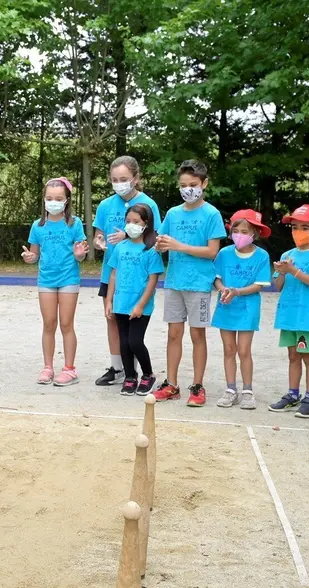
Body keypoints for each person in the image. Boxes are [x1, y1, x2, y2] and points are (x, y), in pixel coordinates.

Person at [152, 160, 227, 407]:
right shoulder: (173, 213)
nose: (188, 189)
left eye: (193, 184)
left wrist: (179, 246)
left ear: (204, 183)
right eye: (183, 185)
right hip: (174, 282)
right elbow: (161, 242)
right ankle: (171, 384)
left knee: (197, 335)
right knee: (173, 334)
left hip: (200, 285)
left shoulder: (211, 214)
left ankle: (197, 385)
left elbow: (212, 251)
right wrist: (158, 246)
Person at [91, 156, 161, 387]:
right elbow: (97, 236)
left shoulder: (149, 204)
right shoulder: (105, 205)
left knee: (134, 323)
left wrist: (129, 236)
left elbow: (155, 239)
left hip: (138, 277)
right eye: (114, 179)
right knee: (112, 319)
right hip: (112, 273)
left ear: (135, 178)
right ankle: (118, 368)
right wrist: (99, 242)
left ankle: (138, 369)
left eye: (124, 179)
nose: (119, 183)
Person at [21, 177, 88, 386]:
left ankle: (69, 369)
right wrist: (30, 258)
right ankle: (47, 367)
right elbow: (34, 255)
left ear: (67, 200)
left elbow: (81, 254)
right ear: (44, 199)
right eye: (49, 198)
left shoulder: (74, 224)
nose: (53, 202)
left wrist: (79, 254)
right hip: (46, 280)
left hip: (68, 278)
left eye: (58, 198)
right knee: (49, 324)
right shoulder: (37, 226)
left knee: (66, 324)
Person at [268, 205, 309, 419]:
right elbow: (277, 286)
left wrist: (293, 270)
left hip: (306, 316)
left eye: (305, 227)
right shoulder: (288, 254)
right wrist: (280, 272)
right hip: (288, 315)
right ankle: (292, 394)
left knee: (308, 356)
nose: (298, 231)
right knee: (293, 355)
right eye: (295, 227)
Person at [211, 209, 273, 410]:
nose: (239, 234)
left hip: (247, 307)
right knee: (229, 350)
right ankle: (230, 389)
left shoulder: (261, 255)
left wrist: (237, 291)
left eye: (245, 231)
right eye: (236, 230)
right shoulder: (224, 253)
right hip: (226, 305)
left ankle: (247, 391)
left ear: (255, 233)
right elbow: (216, 278)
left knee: (244, 350)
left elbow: (259, 284)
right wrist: (223, 290)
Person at [103, 204, 165, 396]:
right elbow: (113, 274)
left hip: (140, 306)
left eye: (136, 222)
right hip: (121, 303)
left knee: (135, 341)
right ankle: (130, 376)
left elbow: (153, 280)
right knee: (123, 342)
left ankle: (148, 375)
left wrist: (140, 305)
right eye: (128, 221)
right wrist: (109, 301)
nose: (131, 225)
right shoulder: (120, 247)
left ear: (145, 224)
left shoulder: (151, 251)